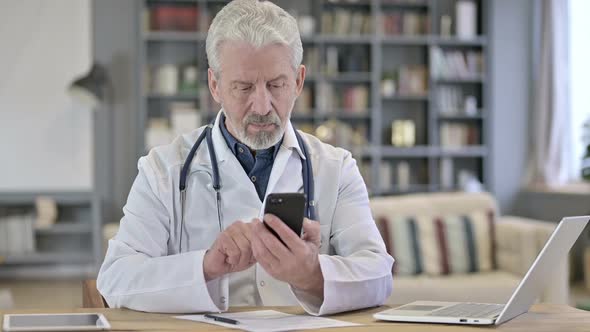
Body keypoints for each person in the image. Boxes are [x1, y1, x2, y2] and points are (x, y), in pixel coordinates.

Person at [97, 0, 393, 316]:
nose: (262, 105)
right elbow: (116, 278)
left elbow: (379, 276)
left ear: (298, 81)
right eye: (244, 87)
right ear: (215, 85)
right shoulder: (163, 169)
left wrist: (312, 274)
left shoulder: (337, 168)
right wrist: (205, 267)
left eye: (276, 85)